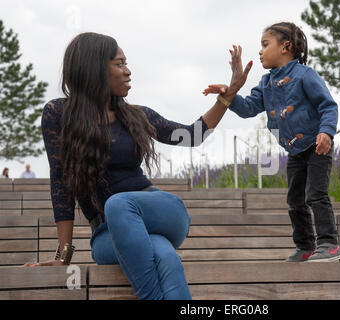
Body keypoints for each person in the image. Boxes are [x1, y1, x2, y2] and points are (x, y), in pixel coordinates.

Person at [23, 32, 251, 300]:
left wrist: (228, 95)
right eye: (119, 64)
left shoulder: (136, 115)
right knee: (165, 256)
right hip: (106, 234)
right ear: (94, 67)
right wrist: (63, 256)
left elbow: (192, 135)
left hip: (159, 211)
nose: (128, 71)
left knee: (119, 204)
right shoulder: (58, 114)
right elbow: (60, 182)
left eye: (126, 63)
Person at [203, 22, 340, 263]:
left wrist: (327, 132)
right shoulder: (266, 84)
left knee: (315, 194)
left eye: (265, 45)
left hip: (316, 146)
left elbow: (327, 105)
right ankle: (306, 247)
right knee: (294, 200)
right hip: (295, 151)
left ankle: (329, 245)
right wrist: (228, 93)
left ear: (285, 47)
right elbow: (248, 108)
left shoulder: (305, 75)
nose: (260, 51)